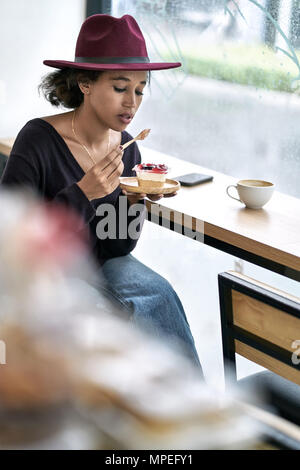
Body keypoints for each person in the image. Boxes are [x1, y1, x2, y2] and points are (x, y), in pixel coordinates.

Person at [1, 14, 202, 372]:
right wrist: (84, 192)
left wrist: (131, 203)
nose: (132, 103)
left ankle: (186, 413)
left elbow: (117, 246)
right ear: (85, 83)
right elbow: (14, 239)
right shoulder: (38, 139)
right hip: (44, 273)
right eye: (120, 87)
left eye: (140, 90)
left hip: (100, 264)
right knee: (95, 317)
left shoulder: (128, 150)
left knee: (159, 294)